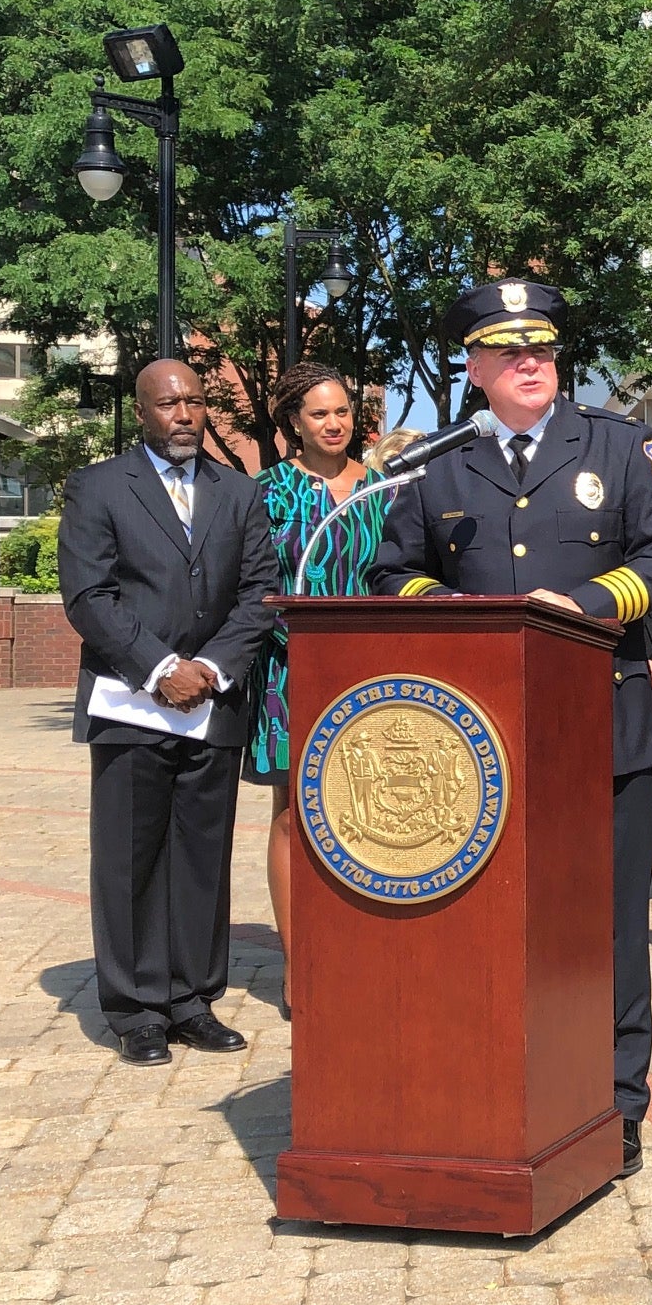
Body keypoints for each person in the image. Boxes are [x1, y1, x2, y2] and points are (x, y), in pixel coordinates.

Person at [371, 279, 652, 1179]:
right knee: (487, 925)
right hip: (480, 744)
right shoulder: (437, 464)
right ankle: (487, 1088)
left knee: (610, 928)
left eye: (542, 349)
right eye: (508, 351)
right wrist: (469, 625)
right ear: (472, 367)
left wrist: (582, 605)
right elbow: (392, 573)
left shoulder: (623, 448)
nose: (529, 364)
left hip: (603, 722)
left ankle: (615, 1103)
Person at [58, 360, 278, 1065]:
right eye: (168, 403)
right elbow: (88, 595)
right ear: (143, 411)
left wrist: (210, 668)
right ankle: (137, 1009)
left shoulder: (238, 492)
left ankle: (191, 999)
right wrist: (159, 667)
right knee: (129, 858)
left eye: (194, 401)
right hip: (132, 701)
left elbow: (259, 592)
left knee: (201, 858)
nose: (184, 414)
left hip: (210, 704)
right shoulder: (98, 487)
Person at [244, 363, 390, 1020]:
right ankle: (298, 963)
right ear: (293, 424)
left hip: (373, 673)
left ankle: (365, 950)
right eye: (318, 414)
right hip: (290, 670)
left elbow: (398, 576)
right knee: (293, 815)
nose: (333, 425)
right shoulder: (267, 491)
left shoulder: (384, 489)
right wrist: (300, 641)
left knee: (367, 813)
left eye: (341, 413)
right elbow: (253, 582)